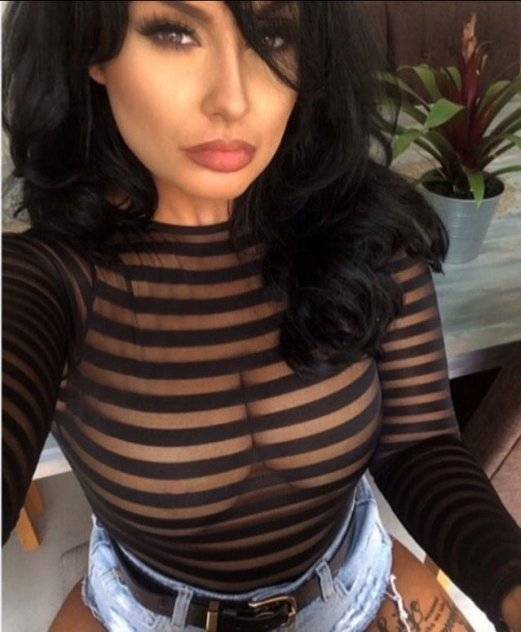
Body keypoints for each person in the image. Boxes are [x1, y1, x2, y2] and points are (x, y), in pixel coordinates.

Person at [2, 1, 521, 631]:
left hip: (356, 587)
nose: (234, 99)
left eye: (273, 35)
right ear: (93, 46)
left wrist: (512, 585)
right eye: (175, 33)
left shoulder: (363, 229)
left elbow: (422, 446)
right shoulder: (45, 280)